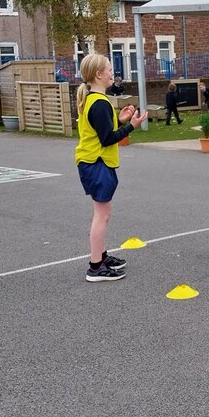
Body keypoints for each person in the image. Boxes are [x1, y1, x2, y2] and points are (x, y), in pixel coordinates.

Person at [74, 54, 147, 282]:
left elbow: (103, 130)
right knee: (102, 215)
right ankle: (96, 267)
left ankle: (101, 256)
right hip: (97, 163)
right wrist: (132, 127)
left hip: (92, 162)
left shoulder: (95, 100)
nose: (111, 73)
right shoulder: (99, 103)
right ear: (98, 74)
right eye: (108, 69)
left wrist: (121, 120)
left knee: (102, 213)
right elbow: (107, 139)